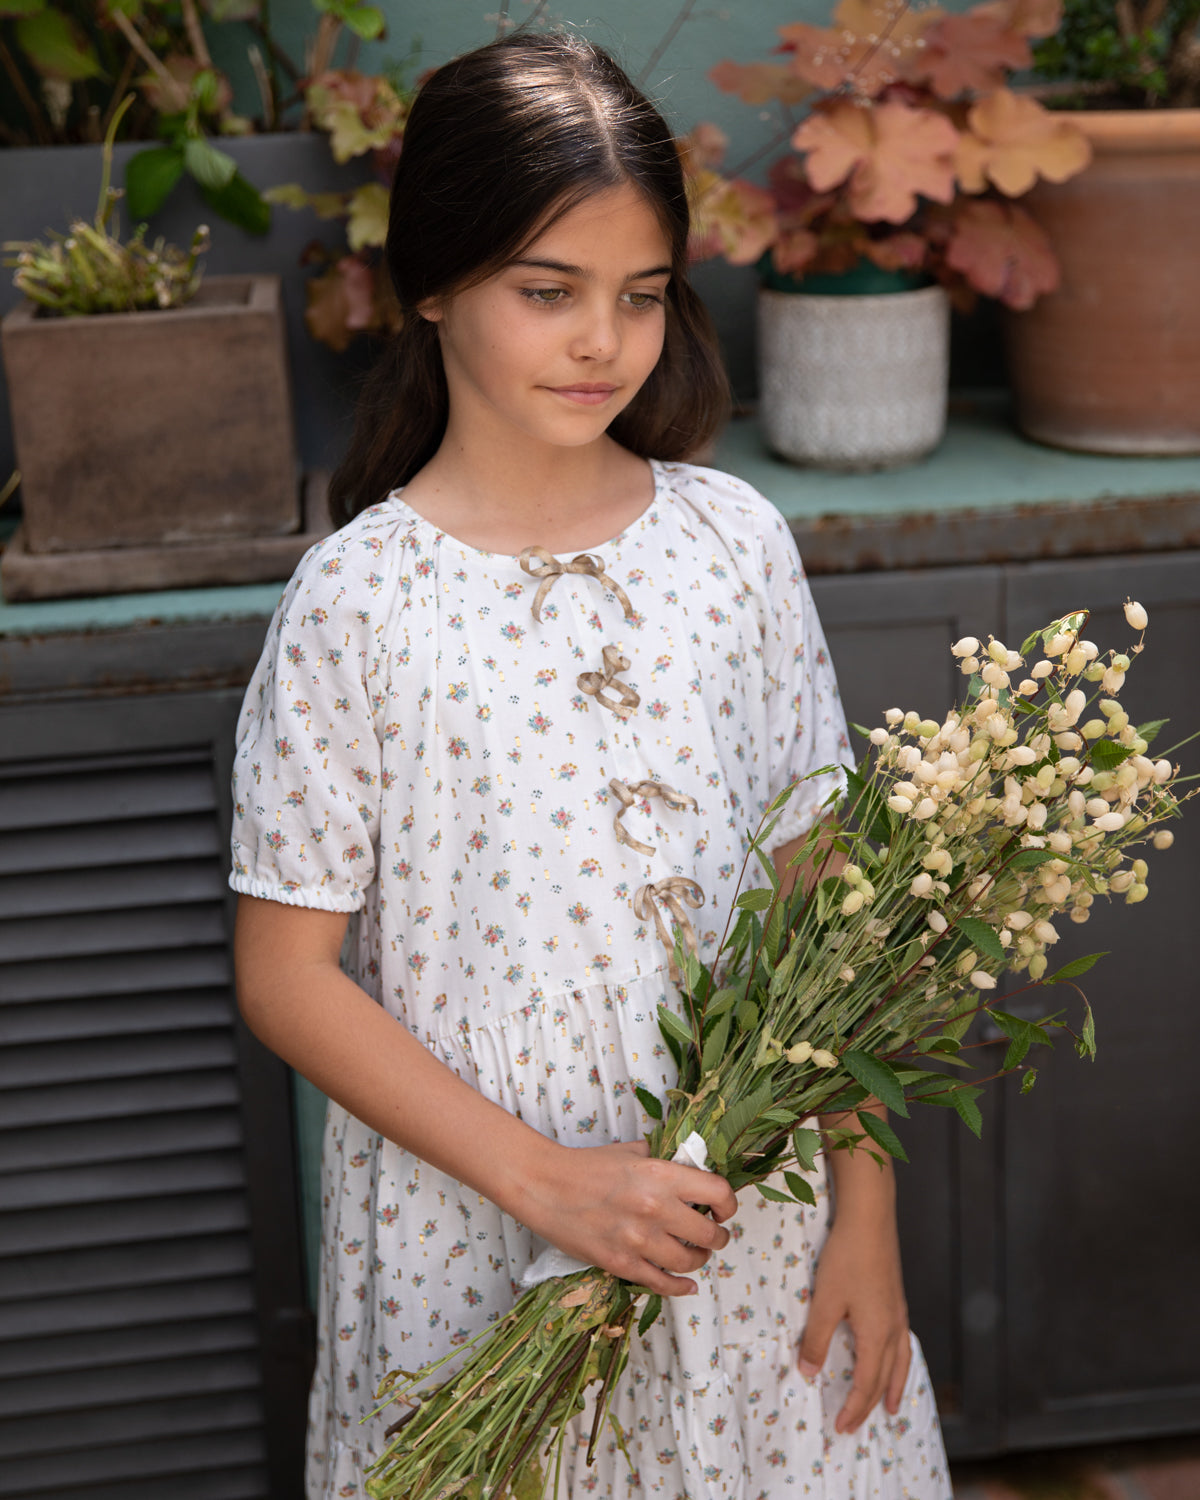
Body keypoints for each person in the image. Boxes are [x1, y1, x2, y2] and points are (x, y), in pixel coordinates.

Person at [230, 28, 952, 1500]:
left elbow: (827, 906)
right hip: (476, 1220)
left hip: (745, 1206)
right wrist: (546, 1182)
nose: (602, 343)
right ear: (434, 283)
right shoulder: (358, 602)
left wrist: (867, 1215)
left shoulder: (734, 548)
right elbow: (286, 975)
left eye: (641, 294)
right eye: (547, 291)